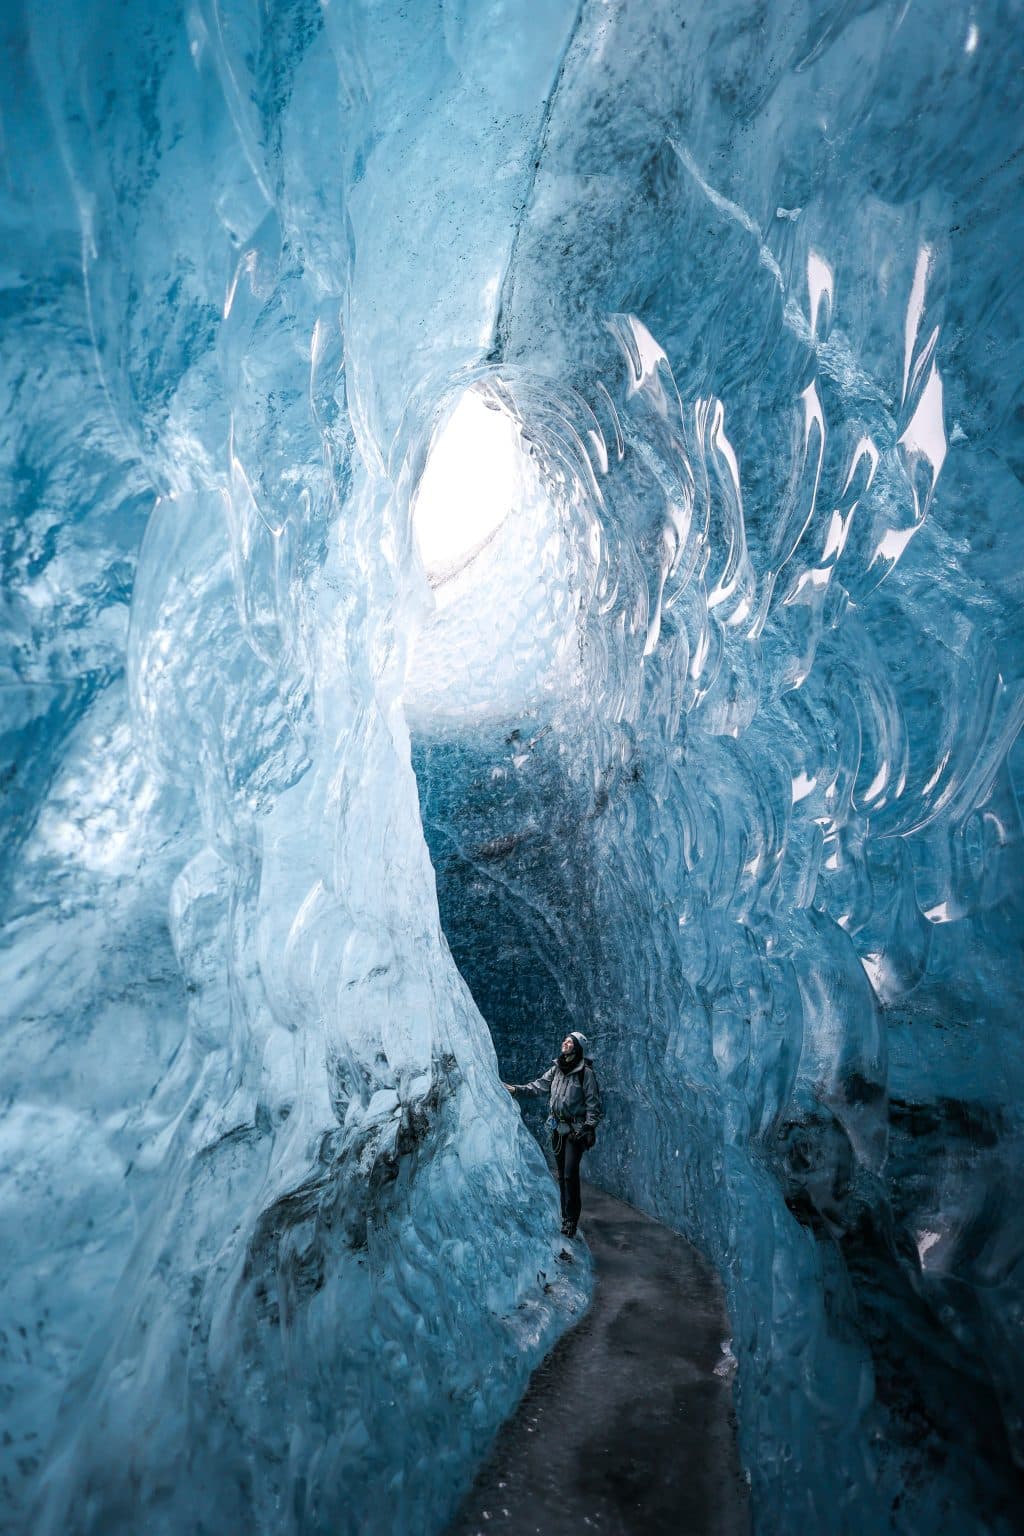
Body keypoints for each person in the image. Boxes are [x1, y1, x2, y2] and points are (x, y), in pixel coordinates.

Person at [504, 1032, 602, 1238]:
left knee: (569, 1175)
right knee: (562, 1175)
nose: (565, 1042)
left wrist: (587, 1127)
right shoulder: (557, 1068)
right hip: (557, 1129)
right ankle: (565, 1216)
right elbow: (538, 1086)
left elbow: (593, 1104)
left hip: (575, 1131)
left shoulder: (585, 1073)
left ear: (577, 1048)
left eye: (570, 1041)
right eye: (565, 1039)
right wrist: (516, 1090)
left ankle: (571, 1220)